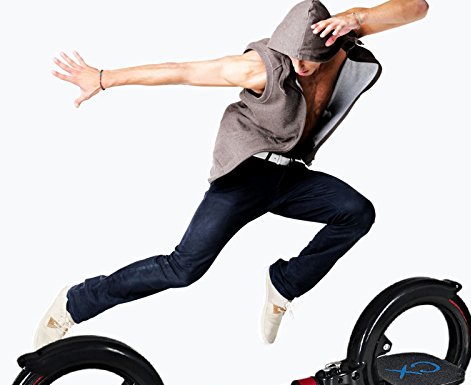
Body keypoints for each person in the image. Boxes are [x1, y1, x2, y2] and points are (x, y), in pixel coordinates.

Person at [36, 0, 429, 349]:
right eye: (295, 58)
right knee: (183, 268)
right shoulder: (259, 68)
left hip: (289, 176)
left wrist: (357, 17)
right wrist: (103, 78)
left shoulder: (339, 38)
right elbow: (182, 71)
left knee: (357, 212)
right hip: (246, 176)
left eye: (311, 60)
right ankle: (74, 303)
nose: (302, 67)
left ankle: (285, 284)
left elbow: (418, 7)